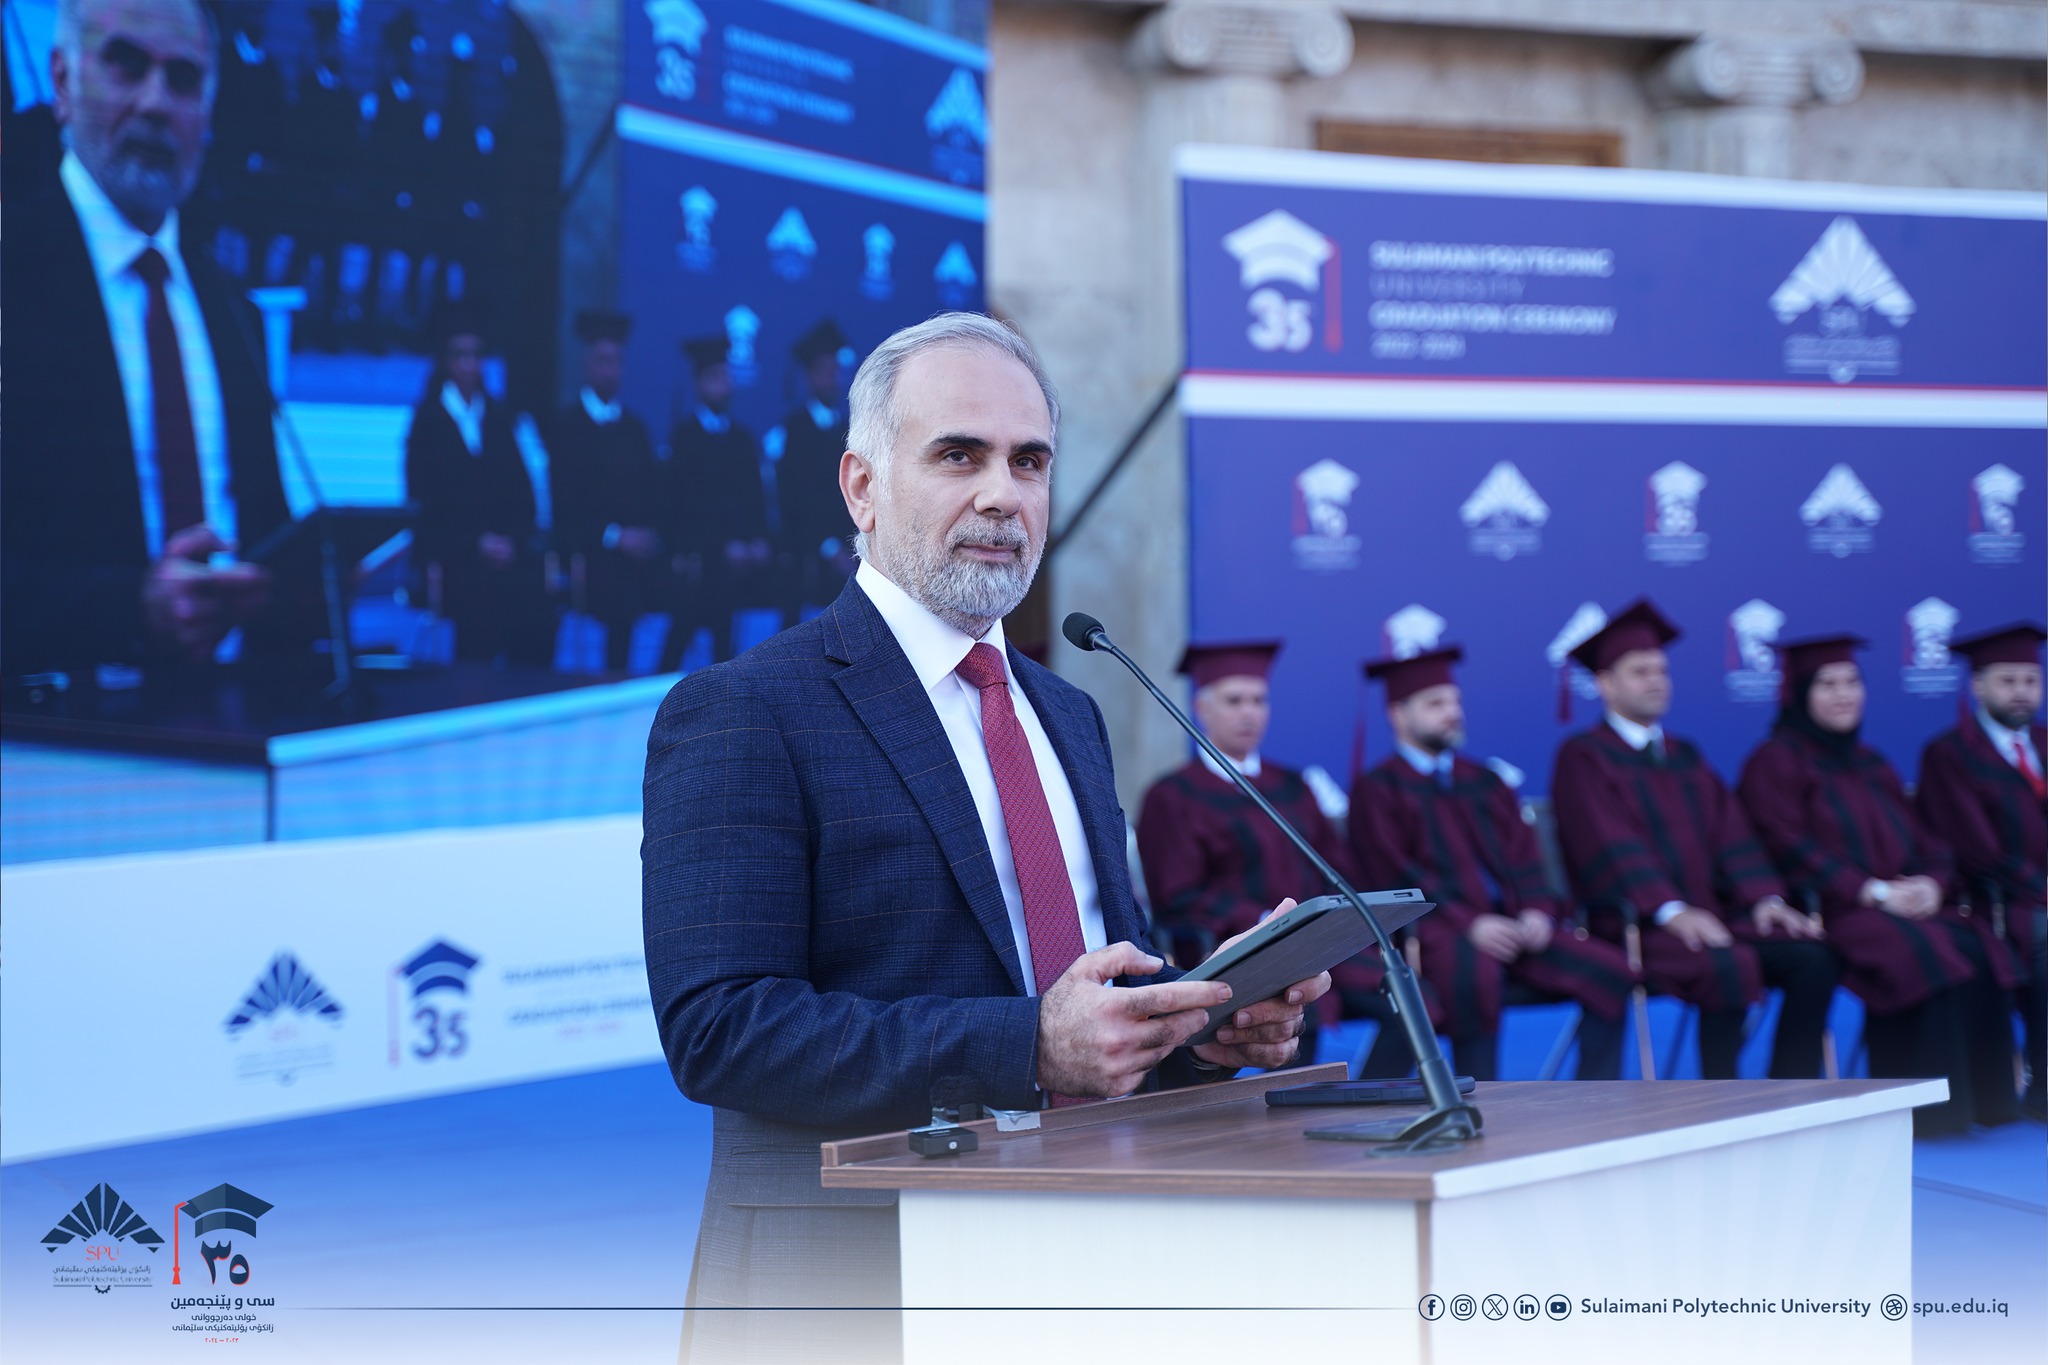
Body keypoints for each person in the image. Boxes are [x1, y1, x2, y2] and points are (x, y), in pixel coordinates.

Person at [642, 313, 1328, 1363]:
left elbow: (1084, 989)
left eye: (1029, 461)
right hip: (854, 1279)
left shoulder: (1070, 713)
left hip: (1083, 1260)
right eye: (958, 455)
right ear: (861, 487)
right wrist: (1026, 1046)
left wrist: (1198, 1026)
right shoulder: (747, 709)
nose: (1002, 494)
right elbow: (719, 1028)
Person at [4, 0, 301, 679]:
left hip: (234, 718)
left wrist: (309, 585)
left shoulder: (232, 309)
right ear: (62, 82)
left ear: (208, 115)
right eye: (126, 65)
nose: (156, 103)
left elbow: (264, 532)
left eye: (184, 79)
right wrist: (129, 611)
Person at [1550, 599, 1839, 1080]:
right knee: (1728, 964)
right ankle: (1721, 1096)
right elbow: (1610, 848)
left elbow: (1732, 835)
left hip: (1713, 919)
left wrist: (1764, 899)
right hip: (1636, 927)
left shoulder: (1684, 754)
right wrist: (1671, 911)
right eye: (1640, 672)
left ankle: (1792, 1093)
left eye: (1661, 671)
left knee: (1813, 959)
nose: (1656, 681)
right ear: (1604, 684)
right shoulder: (1584, 757)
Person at [1739, 635, 2016, 1133]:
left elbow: (1926, 837)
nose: (1843, 694)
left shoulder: (1872, 763)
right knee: (1916, 952)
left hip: (1900, 903)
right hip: (1832, 911)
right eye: (1827, 684)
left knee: (1974, 946)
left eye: (1852, 682)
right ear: (1800, 694)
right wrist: (1869, 890)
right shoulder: (1776, 761)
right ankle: (1923, 1115)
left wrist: (1932, 883)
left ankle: (1985, 1105)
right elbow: (1786, 843)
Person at [1350, 646, 1637, 1081]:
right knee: (1474, 977)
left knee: (1610, 972)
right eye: (1435, 704)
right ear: (1398, 715)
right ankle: (1481, 1098)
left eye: (1455, 702)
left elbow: (1525, 856)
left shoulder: (1485, 781)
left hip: (1515, 928)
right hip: (1439, 933)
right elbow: (1393, 875)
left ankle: (1597, 1097)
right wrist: (1470, 924)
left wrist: (1538, 911)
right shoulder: (1379, 789)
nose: (1452, 713)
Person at [1135, 641, 1375, 1062]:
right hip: (1233, 950)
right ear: (1201, 709)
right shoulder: (1173, 796)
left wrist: (1325, 922)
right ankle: (1290, 1100)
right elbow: (1177, 895)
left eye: (1259, 700)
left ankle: (1376, 1095)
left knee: (1407, 995)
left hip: (1314, 944)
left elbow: (1334, 866)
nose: (1249, 713)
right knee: (1298, 1006)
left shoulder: (1293, 786)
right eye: (1234, 701)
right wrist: (1264, 921)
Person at [1917, 622, 2046, 1120]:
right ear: (1978, 686)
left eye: (2030, 680)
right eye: (2007, 681)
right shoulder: (1950, 754)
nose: (2021, 692)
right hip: (1996, 903)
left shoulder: (2045, 743)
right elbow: (1978, 851)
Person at [402, 302, 547, 665]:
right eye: (460, 356)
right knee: (478, 600)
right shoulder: (427, 421)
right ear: (445, 361)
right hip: (457, 553)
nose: (468, 365)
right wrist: (476, 542)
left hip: (506, 550)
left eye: (475, 356)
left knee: (536, 601)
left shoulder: (498, 418)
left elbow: (523, 495)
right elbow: (423, 502)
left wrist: (511, 540)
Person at [545, 310, 661, 672]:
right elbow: (565, 504)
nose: (611, 370)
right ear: (587, 364)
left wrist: (644, 534)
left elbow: (651, 493)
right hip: (588, 548)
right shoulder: (566, 427)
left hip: (635, 551)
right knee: (615, 588)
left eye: (617, 362)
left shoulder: (634, 429)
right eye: (603, 361)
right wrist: (614, 536)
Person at [665, 335, 771, 663]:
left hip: (740, 560)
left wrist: (757, 539)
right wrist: (723, 544)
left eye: (725, 376)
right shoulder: (685, 438)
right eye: (714, 377)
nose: (722, 384)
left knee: (730, 645)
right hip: (701, 557)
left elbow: (755, 497)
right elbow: (684, 504)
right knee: (685, 629)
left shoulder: (741, 439)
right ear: (699, 384)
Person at [765, 317, 856, 615]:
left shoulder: (849, 428)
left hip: (849, 553)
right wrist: (829, 547)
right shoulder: (795, 430)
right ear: (809, 376)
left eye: (835, 369)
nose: (831, 377)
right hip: (806, 555)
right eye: (823, 370)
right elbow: (795, 496)